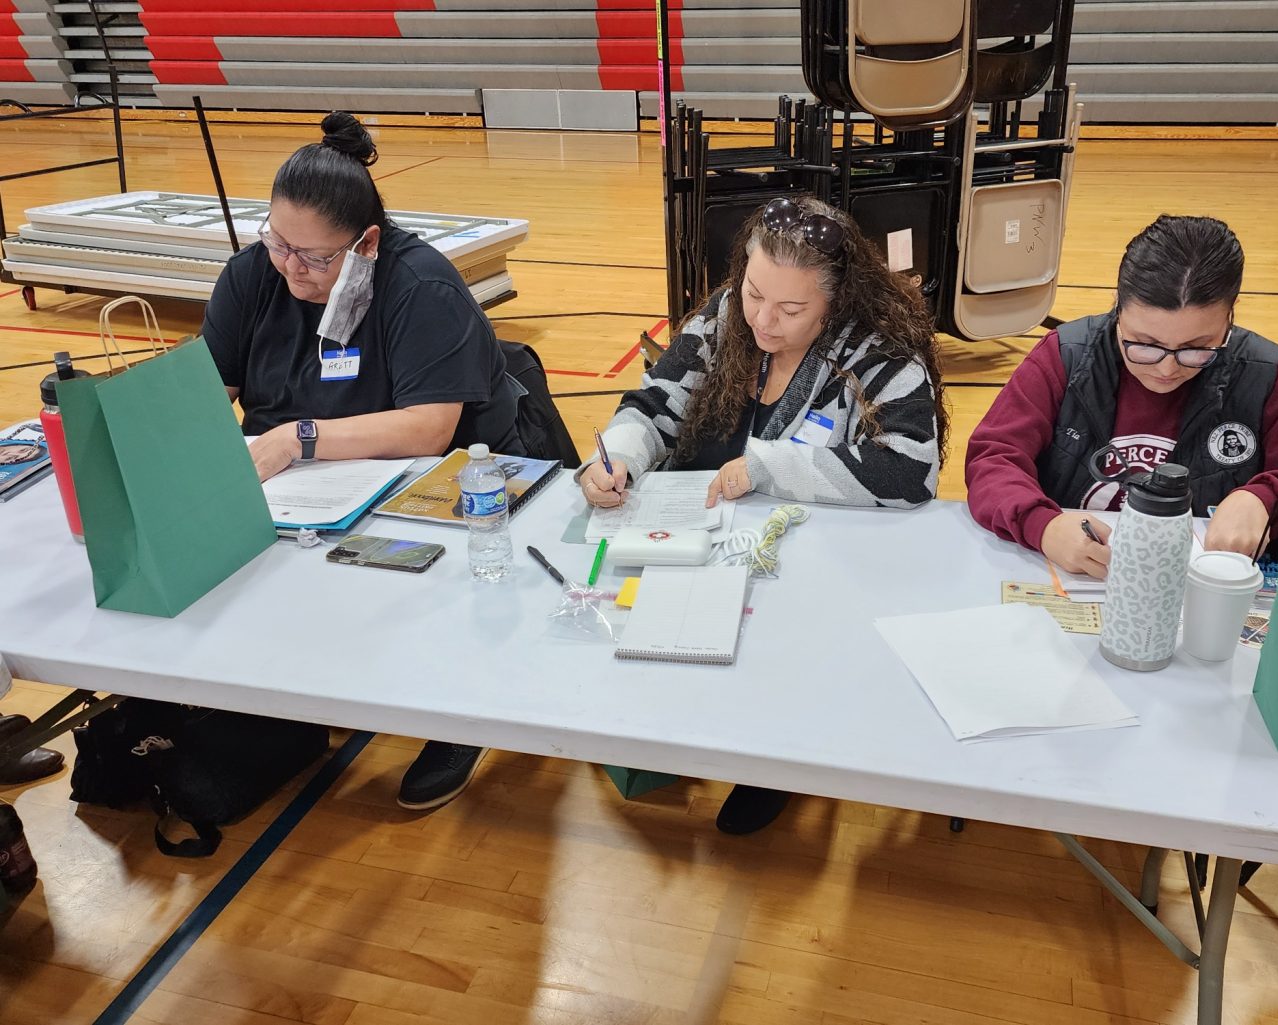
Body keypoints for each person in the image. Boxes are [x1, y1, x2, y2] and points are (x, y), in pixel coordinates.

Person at [580, 195, 947, 834]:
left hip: (810, 560)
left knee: (785, 651)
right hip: (707, 536)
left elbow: (911, 472)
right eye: (754, 293)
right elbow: (657, 402)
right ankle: (691, 727)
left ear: (837, 299)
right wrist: (619, 459)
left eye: (792, 308)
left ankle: (781, 760)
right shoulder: (727, 317)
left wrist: (770, 468)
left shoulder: (878, 353)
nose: (764, 321)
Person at [203, 112, 525, 812]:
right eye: (279, 242)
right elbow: (210, 394)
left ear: (367, 243)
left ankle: (455, 712)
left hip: (418, 485)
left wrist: (299, 437)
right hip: (295, 492)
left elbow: (429, 427)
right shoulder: (252, 276)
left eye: (315, 257)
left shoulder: (421, 287)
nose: (291, 266)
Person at [965, 214, 1278, 579]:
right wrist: (1043, 525)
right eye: (1145, 345)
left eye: (1197, 347)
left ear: (1229, 319)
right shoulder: (1066, 356)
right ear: (1117, 309)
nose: (1166, 369)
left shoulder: (1269, 374)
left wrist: (1264, 498)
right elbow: (994, 458)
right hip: (1073, 580)